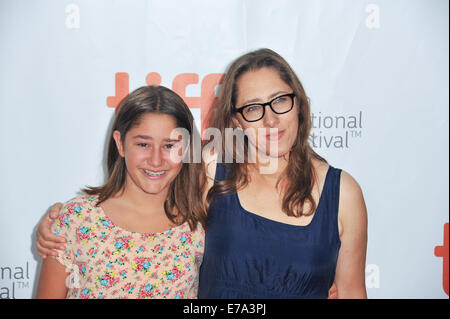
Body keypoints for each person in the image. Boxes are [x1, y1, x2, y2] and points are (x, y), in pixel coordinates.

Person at [36, 48, 366, 299]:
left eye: (280, 100)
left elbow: (351, 291)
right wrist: (60, 220)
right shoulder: (210, 170)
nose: (270, 120)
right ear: (236, 121)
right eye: (253, 108)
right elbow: (145, 192)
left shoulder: (342, 193)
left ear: (299, 104)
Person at [35, 85, 207, 299]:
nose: (155, 160)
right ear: (120, 143)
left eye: (169, 146)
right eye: (143, 144)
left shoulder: (199, 226)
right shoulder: (77, 219)